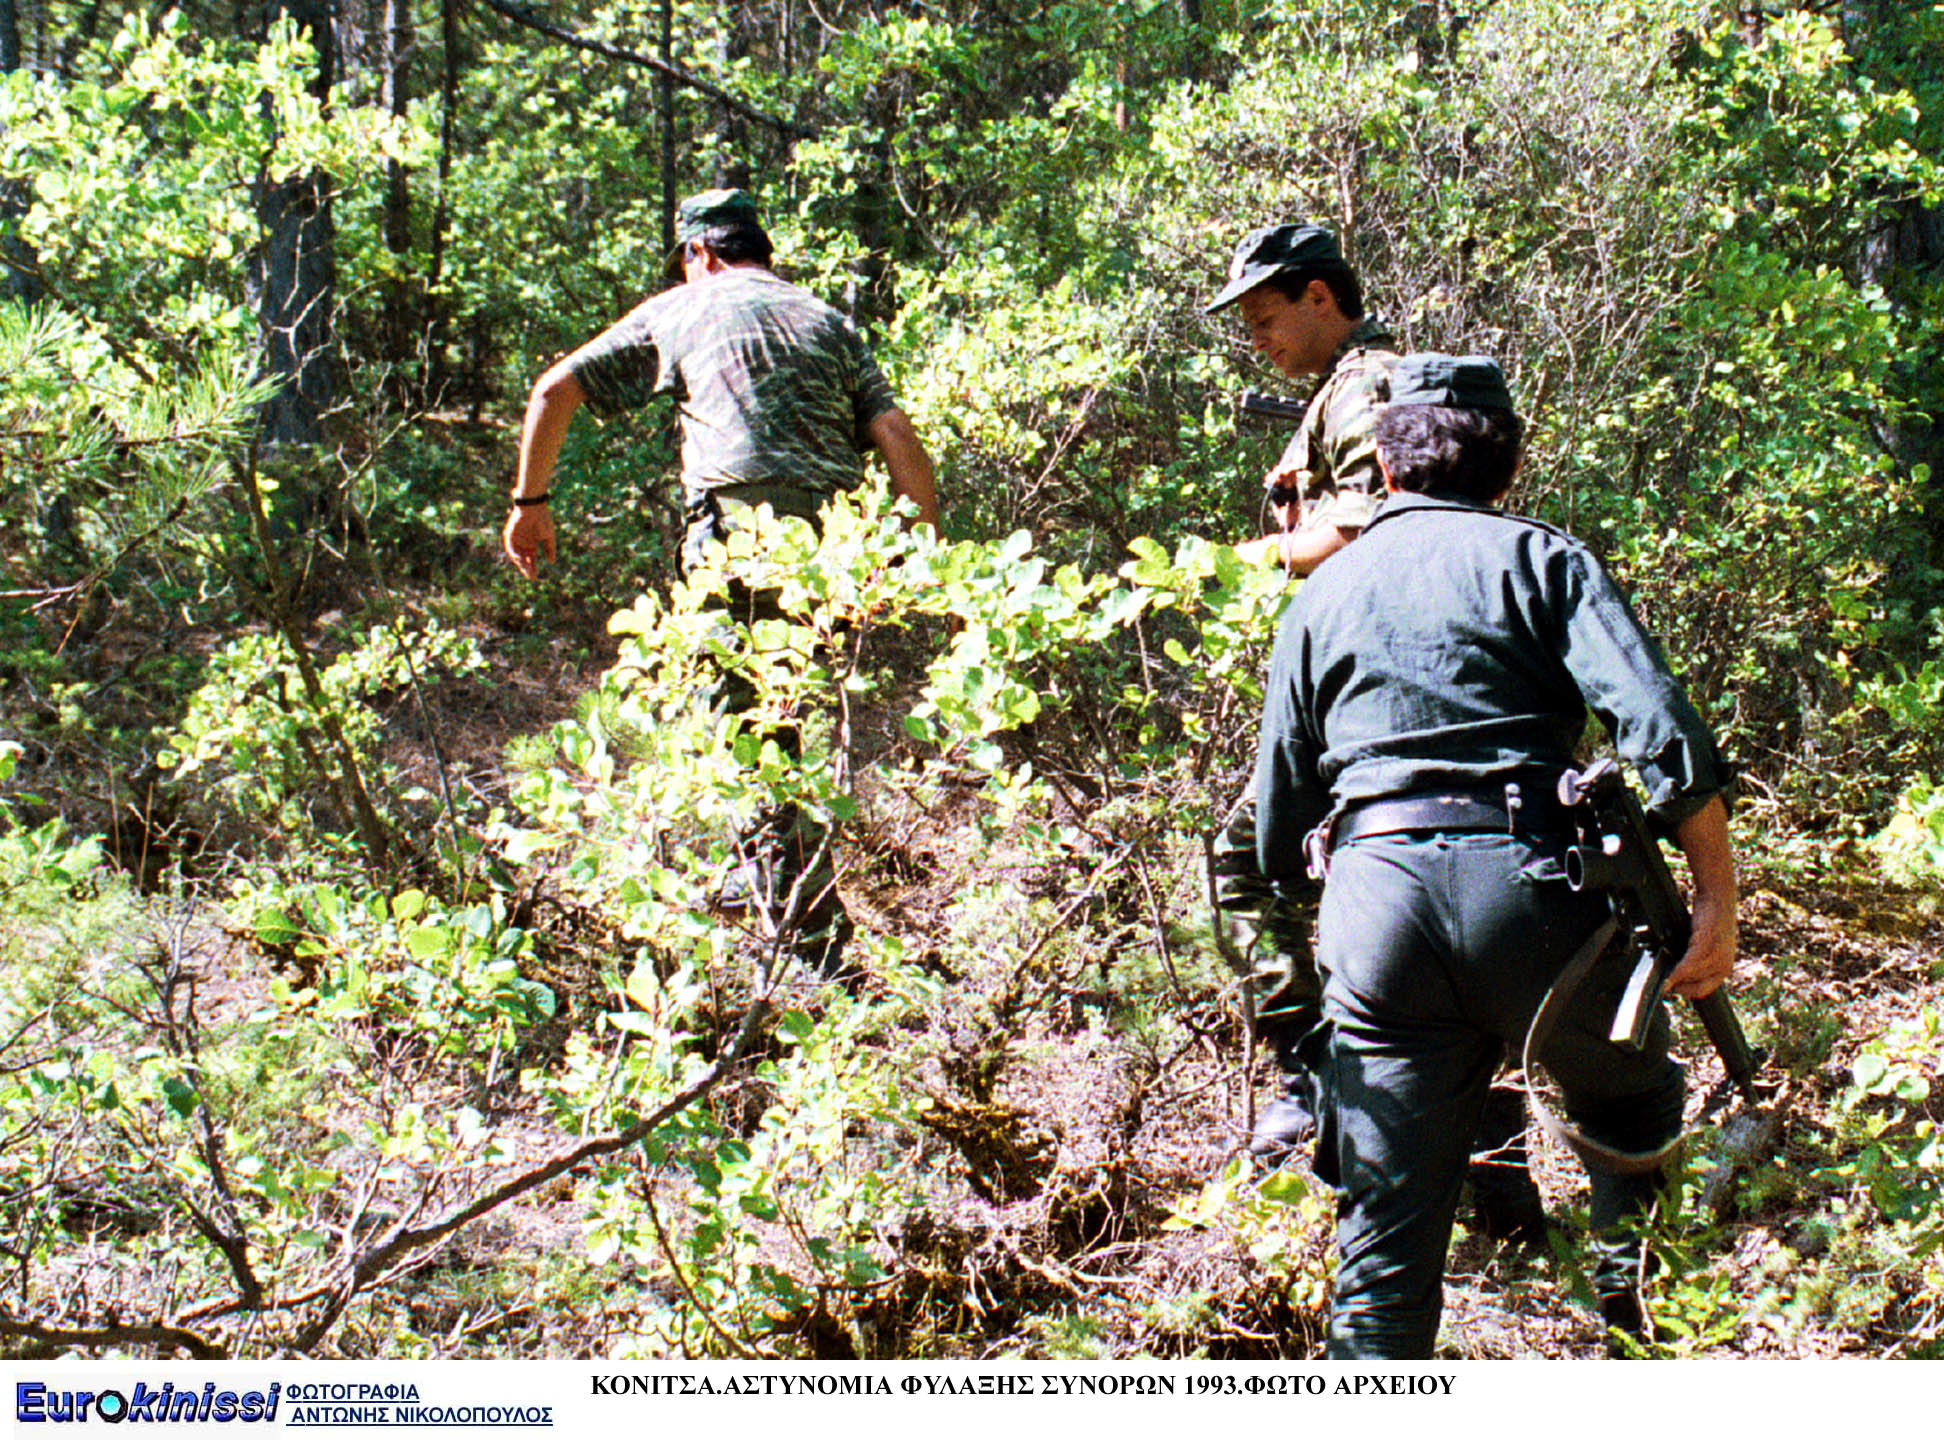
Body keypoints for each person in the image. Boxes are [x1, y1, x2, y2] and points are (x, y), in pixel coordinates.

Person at [1250, 353, 1738, 1358]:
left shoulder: (1318, 598)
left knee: (1384, 1245)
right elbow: (1664, 735)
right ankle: (1635, 1332)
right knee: (1634, 1104)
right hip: (1542, 902)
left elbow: (1277, 827)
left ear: (1384, 471)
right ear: (1507, 468)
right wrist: (1716, 902)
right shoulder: (1544, 559)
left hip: (1376, 910)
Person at [502, 187, 938, 973]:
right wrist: (912, 555)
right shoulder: (828, 321)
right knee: (782, 726)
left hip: (735, 538)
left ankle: (808, 952)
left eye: (684, 260)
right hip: (826, 555)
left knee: (745, 736)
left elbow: (553, 390)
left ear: (700, 252)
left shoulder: (684, 306)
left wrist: (530, 504)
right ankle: (783, 908)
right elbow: (896, 435)